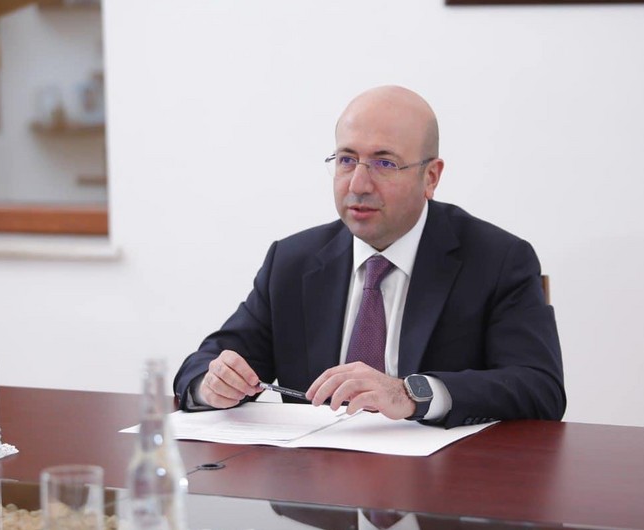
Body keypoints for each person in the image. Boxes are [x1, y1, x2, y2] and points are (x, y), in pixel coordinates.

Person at [174, 86, 565, 428]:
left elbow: (540, 388)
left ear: (430, 177)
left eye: (384, 163)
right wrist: (212, 385)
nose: (358, 184)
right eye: (346, 160)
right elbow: (206, 363)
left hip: (441, 481)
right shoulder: (293, 262)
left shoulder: (498, 260)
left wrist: (411, 393)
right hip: (316, 482)